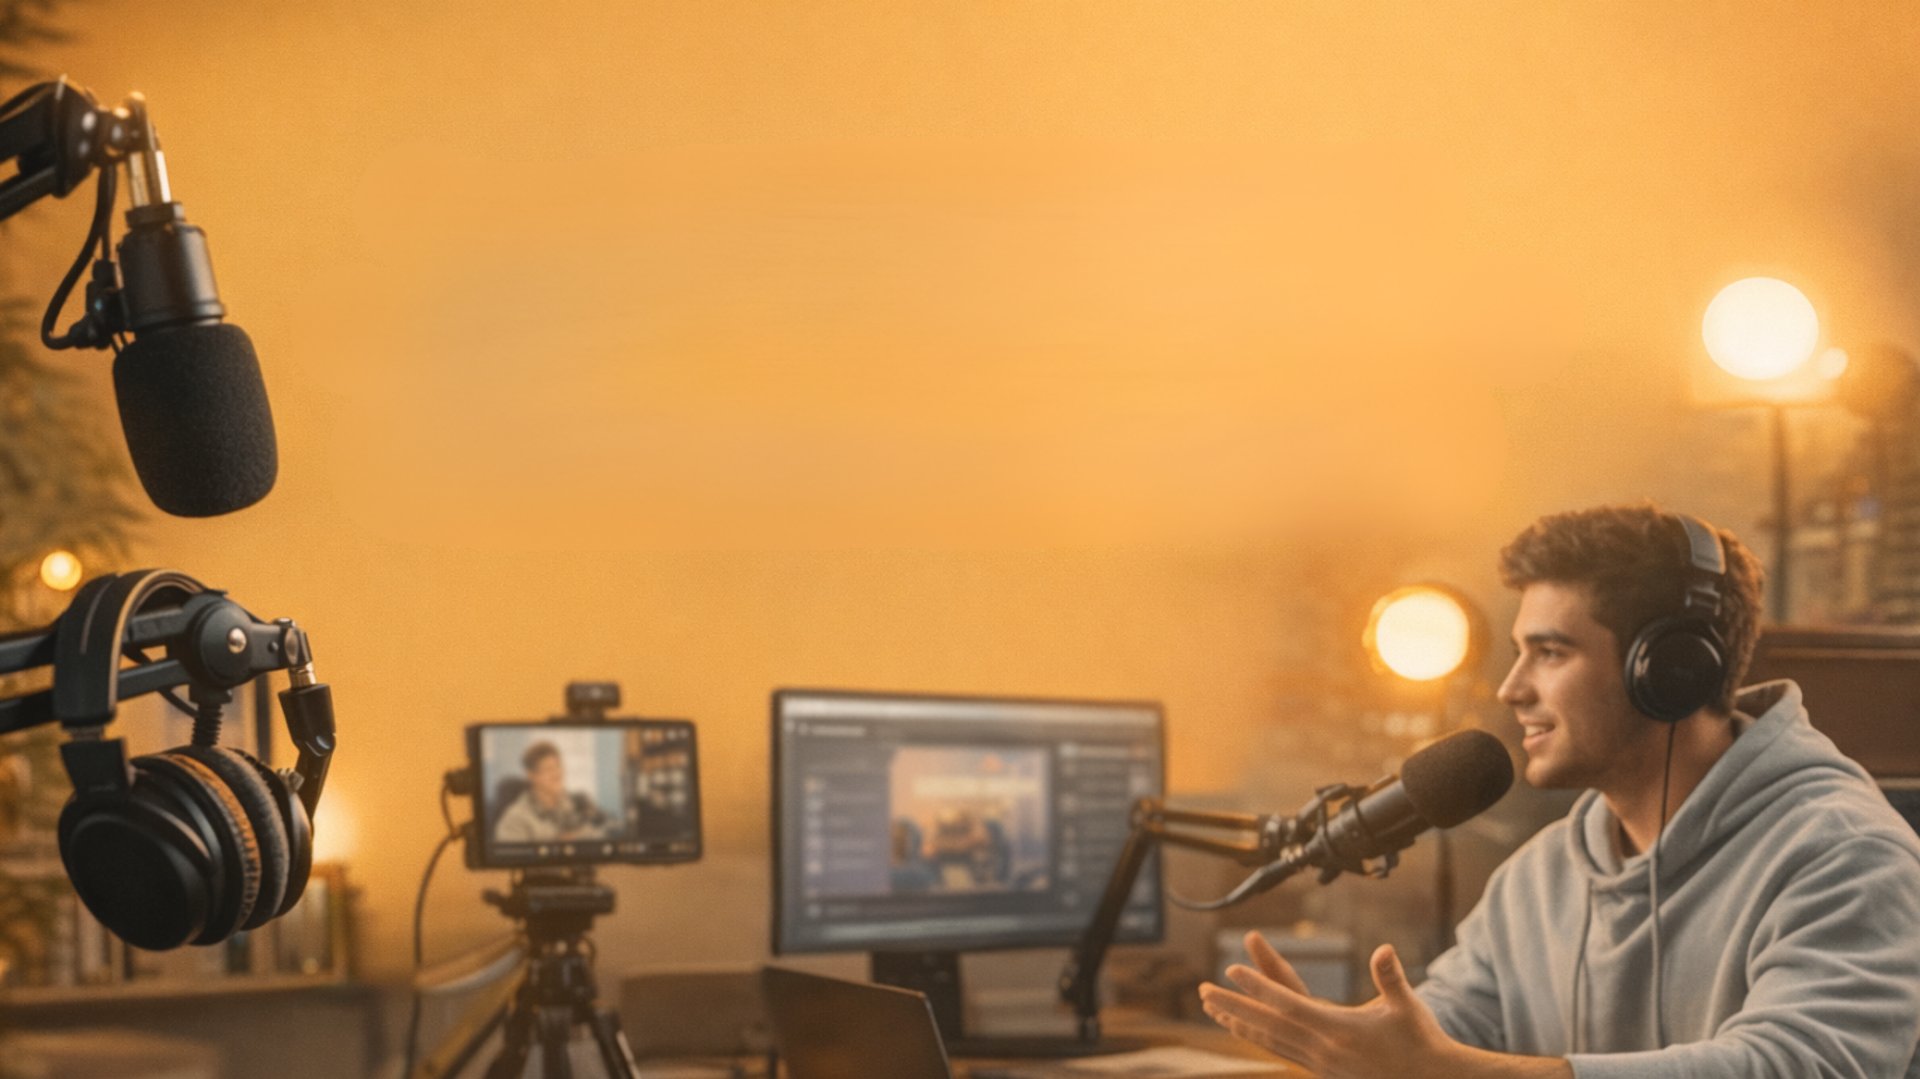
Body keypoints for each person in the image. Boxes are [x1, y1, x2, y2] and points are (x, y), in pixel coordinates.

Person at [1200, 505, 1920, 1078]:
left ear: (1668, 671)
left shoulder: (1845, 854)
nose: (1512, 689)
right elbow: (1449, 1028)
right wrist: (1356, 1043)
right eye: (1519, 653)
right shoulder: (1540, 877)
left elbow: (1801, 1066)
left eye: (1550, 652)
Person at [493, 740, 612, 843]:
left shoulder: (576, 803)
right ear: (531, 776)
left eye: (558, 766)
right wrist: (558, 844)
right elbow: (512, 861)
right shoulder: (515, 819)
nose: (557, 774)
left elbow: (603, 835)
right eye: (548, 769)